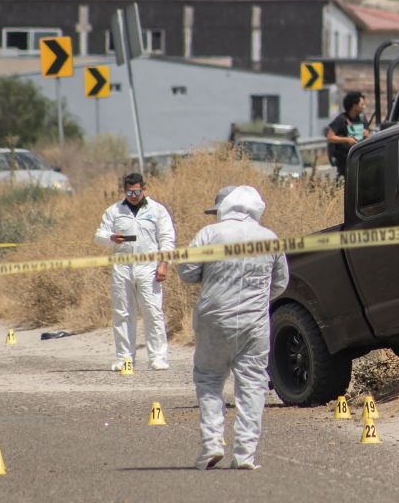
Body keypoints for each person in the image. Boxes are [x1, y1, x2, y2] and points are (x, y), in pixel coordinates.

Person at [178, 186, 289, 470]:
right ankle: (245, 455)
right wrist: (255, 299)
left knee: (209, 379)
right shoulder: (270, 238)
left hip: (214, 319)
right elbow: (280, 283)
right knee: (252, 384)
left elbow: (187, 272)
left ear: (224, 207)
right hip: (254, 323)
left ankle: (212, 444)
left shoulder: (209, 234)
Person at [94, 173, 176, 371]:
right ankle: (125, 358)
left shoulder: (157, 210)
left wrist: (164, 263)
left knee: (152, 311)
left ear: (144, 189)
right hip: (122, 267)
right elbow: (99, 235)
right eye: (129, 192)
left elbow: (167, 237)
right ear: (124, 191)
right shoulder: (114, 211)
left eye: (137, 191)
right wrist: (112, 237)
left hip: (149, 267)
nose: (133, 195)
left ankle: (157, 357)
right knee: (123, 313)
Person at [326, 91, 370, 177]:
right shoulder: (341, 119)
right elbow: (330, 137)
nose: (364, 107)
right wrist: (347, 139)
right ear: (354, 105)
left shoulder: (362, 118)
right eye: (362, 104)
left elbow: (367, 134)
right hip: (345, 160)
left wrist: (367, 135)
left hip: (361, 158)